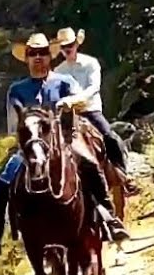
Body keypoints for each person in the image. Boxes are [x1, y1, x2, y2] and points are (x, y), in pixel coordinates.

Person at [0, 33, 130, 257]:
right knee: (0, 180)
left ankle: (109, 217)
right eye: (32, 54)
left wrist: (69, 101)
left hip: (64, 140)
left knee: (90, 165)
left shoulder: (64, 82)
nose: (38, 57)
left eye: (42, 53)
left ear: (49, 57)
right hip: (30, 144)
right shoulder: (17, 89)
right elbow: (13, 124)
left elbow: (80, 102)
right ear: (26, 58)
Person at [51, 28, 138, 195]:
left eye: (70, 45)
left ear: (76, 44)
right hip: (68, 114)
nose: (67, 49)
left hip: (90, 110)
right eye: (63, 46)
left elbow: (93, 88)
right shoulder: (58, 72)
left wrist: (73, 100)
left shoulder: (90, 63)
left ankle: (124, 176)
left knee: (110, 137)